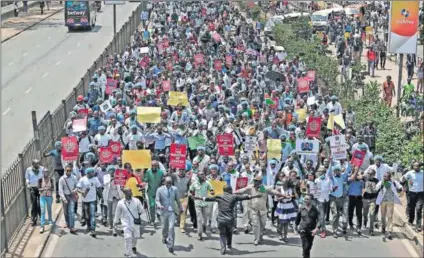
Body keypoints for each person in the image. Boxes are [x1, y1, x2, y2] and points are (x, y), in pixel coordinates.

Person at [193, 185, 260, 255]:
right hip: (230, 220)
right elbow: (245, 197)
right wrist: (255, 196)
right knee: (229, 232)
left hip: (221, 219)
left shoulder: (219, 196)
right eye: (231, 190)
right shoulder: (234, 197)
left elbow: (207, 198)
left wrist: (197, 197)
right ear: (229, 190)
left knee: (222, 234)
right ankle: (229, 244)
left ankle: (223, 247)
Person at [155, 176, 184, 253]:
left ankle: (171, 245)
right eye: (167, 183)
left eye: (170, 183)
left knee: (171, 228)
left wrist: (181, 208)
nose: (169, 185)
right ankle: (164, 236)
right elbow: (157, 200)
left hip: (172, 211)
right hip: (163, 211)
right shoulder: (160, 190)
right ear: (164, 182)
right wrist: (159, 205)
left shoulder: (174, 189)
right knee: (164, 227)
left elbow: (177, 200)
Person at [113, 187, 143, 258]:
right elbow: (117, 213)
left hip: (135, 223)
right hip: (126, 223)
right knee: (128, 238)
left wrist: (139, 213)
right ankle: (129, 254)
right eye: (129, 191)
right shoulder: (120, 203)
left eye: (131, 191)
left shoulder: (136, 201)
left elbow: (141, 211)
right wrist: (116, 222)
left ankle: (133, 246)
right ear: (125, 193)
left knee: (135, 237)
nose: (131, 192)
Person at [376, 172, 403, 240]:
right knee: (383, 216)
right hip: (383, 202)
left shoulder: (393, 182)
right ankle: (383, 226)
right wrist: (381, 186)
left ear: (389, 177)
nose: (384, 177)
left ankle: (389, 231)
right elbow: (376, 188)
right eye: (384, 176)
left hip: (390, 202)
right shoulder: (381, 182)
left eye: (386, 176)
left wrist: (399, 189)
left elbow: (400, 186)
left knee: (390, 216)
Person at [77, 167, 102, 237]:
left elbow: (99, 188)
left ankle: (93, 229)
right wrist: (82, 192)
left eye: (93, 172)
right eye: (92, 172)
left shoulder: (95, 179)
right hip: (85, 201)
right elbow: (78, 188)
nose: (93, 173)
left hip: (93, 200)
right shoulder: (82, 179)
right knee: (87, 215)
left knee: (92, 215)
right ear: (88, 173)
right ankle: (88, 226)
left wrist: (101, 197)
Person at [189, 171, 214, 240]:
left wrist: (212, 192)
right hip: (197, 203)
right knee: (199, 219)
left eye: (203, 174)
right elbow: (191, 191)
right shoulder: (194, 184)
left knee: (205, 219)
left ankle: (204, 226)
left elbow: (211, 190)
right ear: (198, 176)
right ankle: (199, 234)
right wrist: (191, 195)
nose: (202, 176)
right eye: (201, 175)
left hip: (205, 203)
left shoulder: (207, 183)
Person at [295, 194, 320, 258]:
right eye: (305, 199)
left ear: (311, 200)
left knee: (309, 246)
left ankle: (305, 255)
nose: (306, 200)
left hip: (312, 230)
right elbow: (297, 219)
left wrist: (316, 228)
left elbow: (320, 219)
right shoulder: (301, 208)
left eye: (307, 199)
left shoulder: (315, 209)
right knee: (305, 246)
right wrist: (296, 227)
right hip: (303, 229)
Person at [401, 162, 423, 232]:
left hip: (421, 193)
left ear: (420, 167)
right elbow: (402, 179)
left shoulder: (423, 173)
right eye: (414, 166)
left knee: (419, 209)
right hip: (412, 193)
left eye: (416, 166)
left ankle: (418, 225)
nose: (415, 167)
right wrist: (404, 178)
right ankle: (410, 220)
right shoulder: (410, 173)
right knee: (411, 208)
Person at [102, 165, 124, 232]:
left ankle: (115, 226)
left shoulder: (118, 176)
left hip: (116, 196)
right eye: (110, 170)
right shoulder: (105, 177)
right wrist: (112, 179)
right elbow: (105, 184)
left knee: (115, 212)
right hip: (109, 196)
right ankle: (110, 225)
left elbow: (121, 185)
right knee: (109, 212)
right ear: (108, 171)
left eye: (113, 170)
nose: (112, 171)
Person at [58, 164, 78, 233]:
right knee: (66, 212)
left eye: (70, 170)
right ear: (65, 171)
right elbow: (60, 190)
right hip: (65, 196)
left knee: (71, 211)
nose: (69, 172)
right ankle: (68, 223)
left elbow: (77, 186)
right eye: (67, 170)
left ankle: (72, 226)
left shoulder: (74, 178)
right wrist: (64, 199)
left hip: (72, 196)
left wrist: (75, 190)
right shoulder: (62, 179)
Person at [143, 160, 164, 226]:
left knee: (159, 206)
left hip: (159, 193)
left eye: (155, 165)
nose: (154, 166)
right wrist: (143, 182)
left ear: (157, 165)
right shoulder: (148, 172)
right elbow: (145, 180)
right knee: (152, 206)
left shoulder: (161, 172)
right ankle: (153, 220)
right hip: (151, 192)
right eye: (152, 165)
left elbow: (163, 181)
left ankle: (159, 216)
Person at [25, 159, 45, 226]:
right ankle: (33, 219)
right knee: (34, 203)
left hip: (40, 188)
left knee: (40, 203)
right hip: (32, 188)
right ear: (33, 164)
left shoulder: (42, 169)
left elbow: (45, 177)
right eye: (36, 164)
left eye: (38, 164)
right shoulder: (29, 170)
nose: (37, 165)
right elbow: (27, 178)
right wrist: (28, 184)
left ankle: (41, 217)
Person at [38, 169, 54, 233]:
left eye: (47, 171)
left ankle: (50, 220)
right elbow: (39, 188)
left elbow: (53, 188)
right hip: (42, 197)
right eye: (44, 172)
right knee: (42, 211)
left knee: (49, 209)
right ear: (43, 172)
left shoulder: (51, 179)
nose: (46, 173)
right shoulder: (40, 180)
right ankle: (42, 226)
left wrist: (49, 189)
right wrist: (44, 189)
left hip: (49, 197)